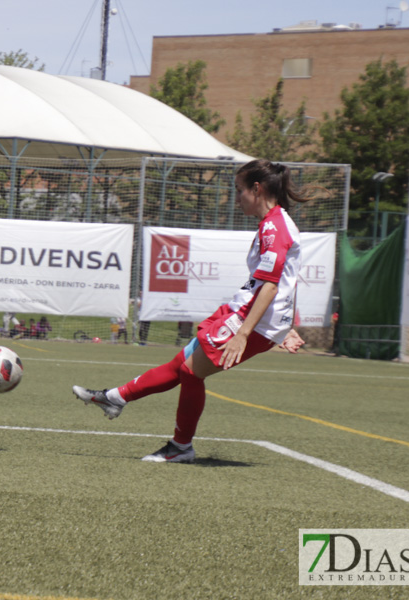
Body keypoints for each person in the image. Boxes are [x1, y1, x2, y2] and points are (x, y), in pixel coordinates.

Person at [72, 159, 309, 463]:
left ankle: (181, 447)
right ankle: (114, 398)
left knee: (190, 372)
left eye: (239, 190)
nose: (237, 197)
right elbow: (280, 281)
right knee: (180, 363)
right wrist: (284, 325)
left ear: (257, 189)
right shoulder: (272, 223)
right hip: (250, 313)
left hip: (253, 322)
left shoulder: (275, 227)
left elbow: (273, 286)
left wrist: (247, 333)